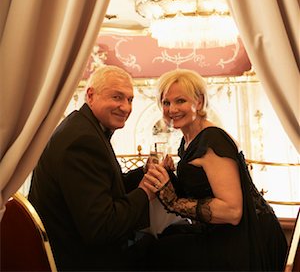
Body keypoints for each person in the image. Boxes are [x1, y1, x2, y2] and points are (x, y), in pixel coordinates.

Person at [143, 69, 288, 271]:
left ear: (199, 102)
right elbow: (201, 191)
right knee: (160, 240)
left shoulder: (212, 140)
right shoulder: (187, 142)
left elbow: (232, 211)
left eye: (180, 101)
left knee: (157, 253)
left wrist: (173, 201)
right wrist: (169, 178)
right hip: (222, 232)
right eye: (166, 103)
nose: (172, 109)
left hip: (246, 240)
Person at [28, 65, 156, 272]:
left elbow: (105, 187)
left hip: (74, 246)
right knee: (167, 245)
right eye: (117, 97)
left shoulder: (82, 126)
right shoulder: (83, 140)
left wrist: (143, 172)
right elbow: (101, 227)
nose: (126, 107)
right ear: (91, 95)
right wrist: (146, 192)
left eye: (130, 99)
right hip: (79, 259)